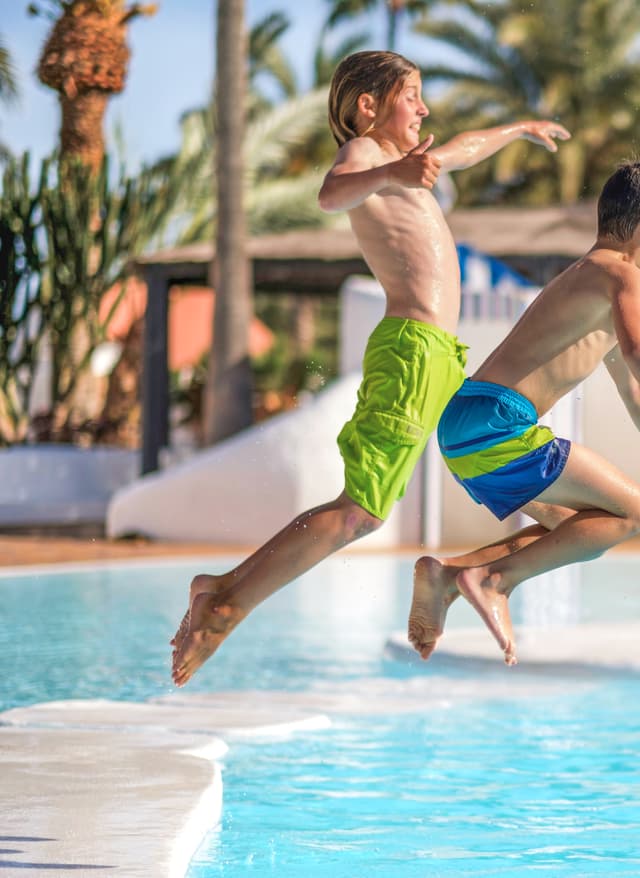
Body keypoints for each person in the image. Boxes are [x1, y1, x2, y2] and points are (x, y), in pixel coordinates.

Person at [171, 49, 570, 687]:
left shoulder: (407, 164)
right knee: (361, 511)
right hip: (411, 350)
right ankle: (226, 600)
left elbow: (464, 147)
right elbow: (331, 195)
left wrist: (519, 130)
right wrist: (393, 173)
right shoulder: (367, 157)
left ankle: (459, 573)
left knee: (513, 473)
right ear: (369, 106)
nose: (424, 108)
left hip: (439, 356)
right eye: (412, 95)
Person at [409, 161, 640, 667]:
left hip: (467, 422)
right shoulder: (621, 274)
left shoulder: (589, 279)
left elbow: (632, 390)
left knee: (581, 529)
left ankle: (449, 576)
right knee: (633, 513)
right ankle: (492, 580)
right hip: (499, 422)